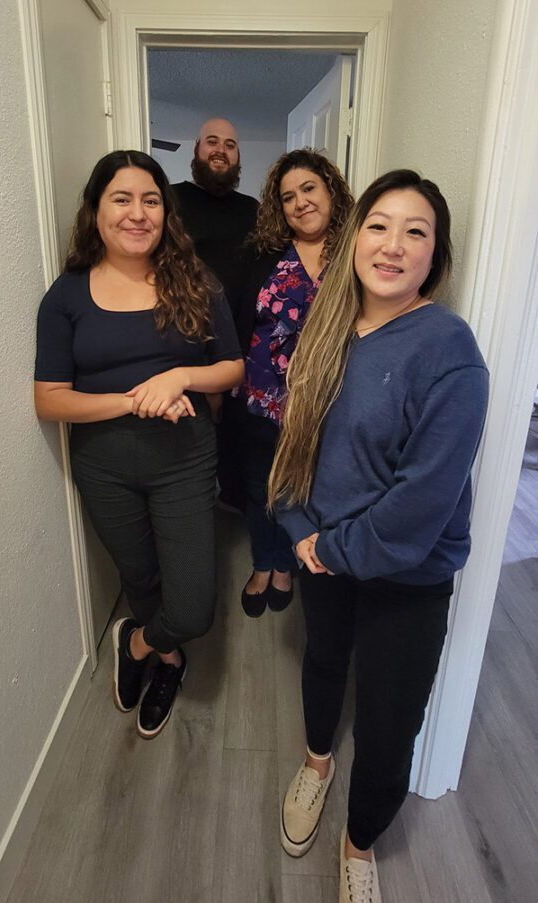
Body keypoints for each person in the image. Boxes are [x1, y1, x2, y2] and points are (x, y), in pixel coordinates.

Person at [269, 170, 489, 903]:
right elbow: (295, 445)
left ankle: (358, 840)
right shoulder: (325, 328)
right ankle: (316, 762)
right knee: (323, 661)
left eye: (415, 231)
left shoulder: (449, 352)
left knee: (390, 726)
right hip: (319, 552)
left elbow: (420, 501)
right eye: (378, 224)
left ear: (435, 256)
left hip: (406, 575)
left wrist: (328, 547)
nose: (392, 245)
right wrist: (301, 529)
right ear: (354, 235)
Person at [34, 150, 244, 739]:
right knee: (141, 575)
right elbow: (49, 399)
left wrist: (180, 377)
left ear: (165, 212)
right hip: (104, 465)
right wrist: (133, 399)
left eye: (150, 200)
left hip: (185, 458)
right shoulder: (67, 297)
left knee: (193, 604)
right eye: (121, 199)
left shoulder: (196, 281)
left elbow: (231, 367)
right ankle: (169, 661)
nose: (137, 213)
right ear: (96, 212)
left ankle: (139, 640)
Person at [234, 149, 353, 618]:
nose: (300, 202)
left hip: (321, 405)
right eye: (288, 197)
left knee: (299, 491)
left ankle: (286, 565)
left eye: (309, 189)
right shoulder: (264, 254)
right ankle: (262, 563)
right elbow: (242, 318)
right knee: (259, 487)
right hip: (260, 398)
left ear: (330, 191)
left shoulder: (354, 252)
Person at [170, 118, 259, 511]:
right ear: (196, 150)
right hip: (185, 343)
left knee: (242, 441)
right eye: (212, 142)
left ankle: (236, 505)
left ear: (239, 158)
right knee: (191, 442)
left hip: (244, 341)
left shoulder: (253, 210)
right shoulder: (170, 201)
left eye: (230, 144)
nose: (221, 149)